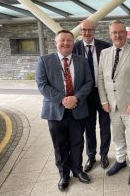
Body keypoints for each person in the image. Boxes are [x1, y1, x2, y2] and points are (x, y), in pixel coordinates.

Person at [35, 30, 93, 191]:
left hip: (77, 108)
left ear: (73, 43)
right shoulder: (44, 61)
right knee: (60, 145)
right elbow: (42, 85)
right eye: (62, 40)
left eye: (69, 40)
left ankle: (78, 170)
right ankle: (64, 175)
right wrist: (62, 99)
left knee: (77, 142)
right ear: (56, 43)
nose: (66, 43)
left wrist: (76, 98)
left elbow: (89, 82)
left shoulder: (82, 61)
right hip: (55, 110)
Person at [98, 20, 130, 186]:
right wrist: (104, 100)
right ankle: (120, 160)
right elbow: (100, 78)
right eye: (114, 32)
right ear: (110, 34)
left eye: (120, 32)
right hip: (112, 105)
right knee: (118, 136)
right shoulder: (104, 53)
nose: (117, 35)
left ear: (126, 34)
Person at [73, 19, 111, 171]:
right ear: (80, 31)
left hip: (102, 92)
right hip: (85, 95)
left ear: (94, 31)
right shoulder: (75, 48)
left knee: (105, 126)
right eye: (84, 30)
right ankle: (91, 157)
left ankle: (104, 155)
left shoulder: (105, 46)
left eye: (90, 30)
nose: (87, 33)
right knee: (89, 127)